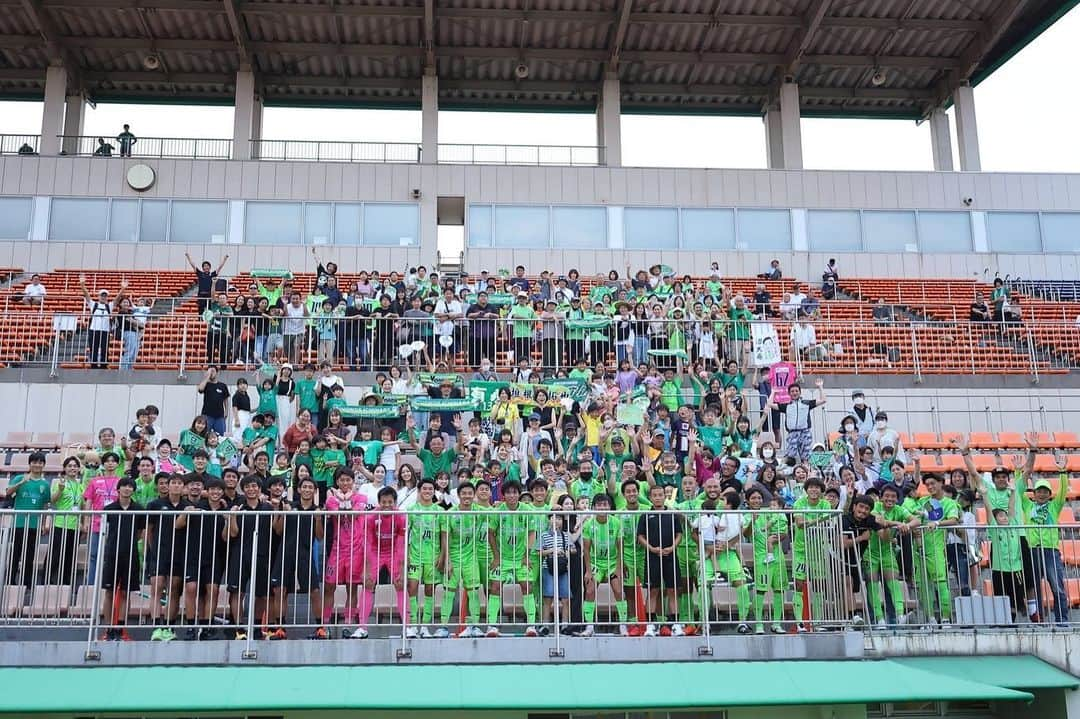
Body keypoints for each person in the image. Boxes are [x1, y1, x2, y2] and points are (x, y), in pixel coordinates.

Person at [269, 474, 325, 639]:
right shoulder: (288, 506)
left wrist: (318, 519)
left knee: (314, 591)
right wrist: (284, 514)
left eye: (310, 487)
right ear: (299, 489)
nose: (307, 490)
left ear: (314, 491)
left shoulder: (317, 509)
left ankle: (320, 627)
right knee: (280, 589)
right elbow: (277, 530)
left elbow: (320, 536)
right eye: (304, 487)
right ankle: (280, 628)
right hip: (285, 551)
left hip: (305, 553)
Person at [487, 480, 539, 636]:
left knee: (527, 586)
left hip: (521, 558)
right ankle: (492, 626)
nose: (512, 495)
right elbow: (490, 533)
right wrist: (496, 557)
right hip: (502, 558)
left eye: (515, 492)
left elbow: (531, 533)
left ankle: (531, 626)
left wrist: (526, 555)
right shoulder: (497, 511)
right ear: (504, 495)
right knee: (495, 587)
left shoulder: (527, 510)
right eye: (508, 492)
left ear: (519, 494)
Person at [99, 477, 145, 641]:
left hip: (131, 555)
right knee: (109, 592)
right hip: (112, 554)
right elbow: (104, 532)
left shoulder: (139, 509)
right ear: (118, 490)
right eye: (124, 486)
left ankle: (120, 627)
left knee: (126, 592)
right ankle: (108, 629)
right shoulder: (109, 509)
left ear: (133, 490)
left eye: (130, 486)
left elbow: (140, 533)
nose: (127, 489)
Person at [145, 474, 190, 641]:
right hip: (158, 553)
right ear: (167, 486)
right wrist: (153, 550)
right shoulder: (155, 504)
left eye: (180, 483)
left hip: (179, 553)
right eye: (173, 483)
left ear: (183, 487)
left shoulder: (187, 506)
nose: (176, 486)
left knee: (174, 590)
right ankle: (157, 627)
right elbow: (148, 530)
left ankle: (169, 627)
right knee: (157, 588)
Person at [636, 484, 684, 637]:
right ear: (650, 498)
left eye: (660, 495)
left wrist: (672, 547)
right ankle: (651, 625)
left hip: (670, 556)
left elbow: (679, 534)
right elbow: (640, 536)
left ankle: (675, 624)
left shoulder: (672, 515)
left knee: (672, 590)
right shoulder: (645, 515)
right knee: (653, 590)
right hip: (652, 557)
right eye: (654, 495)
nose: (657, 497)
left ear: (665, 496)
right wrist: (651, 548)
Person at [580, 492, 628, 636]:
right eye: (599, 505)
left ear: (609, 506)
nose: (602, 507)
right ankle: (589, 627)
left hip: (612, 563)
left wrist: (619, 568)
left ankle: (623, 625)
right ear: (594, 507)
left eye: (605, 505)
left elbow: (620, 548)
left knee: (619, 591)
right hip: (596, 563)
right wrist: (588, 571)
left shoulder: (616, 522)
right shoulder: (589, 524)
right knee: (589, 590)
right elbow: (586, 550)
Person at [405, 477, 447, 638]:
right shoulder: (412, 509)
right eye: (425, 489)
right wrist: (407, 555)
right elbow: (406, 534)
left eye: (430, 489)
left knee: (430, 590)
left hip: (433, 557)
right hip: (415, 556)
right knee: (412, 588)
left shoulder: (440, 510)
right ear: (419, 491)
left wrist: (443, 557)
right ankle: (413, 625)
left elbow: (444, 536)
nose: (427, 491)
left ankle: (425, 626)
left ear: (434, 491)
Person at [442, 481, 484, 637]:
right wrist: (448, 560)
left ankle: (474, 626)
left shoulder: (480, 511)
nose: (467, 496)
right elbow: (445, 538)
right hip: (453, 557)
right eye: (464, 493)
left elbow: (497, 510)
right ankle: (443, 627)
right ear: (458, 496)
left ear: (473, 495)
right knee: (449, 592)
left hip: (471, 558)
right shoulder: (451, 513)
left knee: (473, 592)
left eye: (470, 493)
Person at [5, 452, 50, 590]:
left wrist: (43, 524)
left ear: (43, 465)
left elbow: (44, 505)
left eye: (40, 462)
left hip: (34, 525)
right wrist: (20, 483)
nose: (37, 465)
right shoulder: (19, 478)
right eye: (34, 462)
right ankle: (10, 583)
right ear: (29, 464)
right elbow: (8, 492)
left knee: (30, 556)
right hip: (19, 523)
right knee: (15, 554)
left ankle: (27, 585)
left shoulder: (45, 484)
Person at [767, 379, 826, 463]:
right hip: (792, 433)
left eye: (796, 391)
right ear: (789, 393)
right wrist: (773, 392)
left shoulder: (806, 403)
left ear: (800, 392)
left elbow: (823, 400)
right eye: (792, 391)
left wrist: (820, 387)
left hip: (805, 433)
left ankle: (806, 471)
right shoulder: (786, 406)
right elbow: (769, 404)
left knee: (805, 457)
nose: (794, 393)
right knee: (792, 457)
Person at [538, 511, 575, 635]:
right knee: (548, 597)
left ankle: (564, 625)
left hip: (563, 569)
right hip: (548, 568)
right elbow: (539, 552)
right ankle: (546, 625)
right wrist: (552, 550)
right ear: (549, 520)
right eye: (553, 518)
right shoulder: (544, 535)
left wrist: (567, 552)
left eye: (559, 518)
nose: (556, 521)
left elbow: (573, 549)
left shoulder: (565, 535)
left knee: (565, 598)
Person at [78, 274, 127, 369]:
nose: (104, 297)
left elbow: (117, 299)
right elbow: (86, 295)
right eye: (102, 295)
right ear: (99, 296)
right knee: (93, 348)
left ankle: (104, 365)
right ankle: (94, 365)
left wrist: (122, 289)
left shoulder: (109, 306)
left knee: (105, 349)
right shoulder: (93, 304)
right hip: (94, 330)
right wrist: (82, 285)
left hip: (105, 331)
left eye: (105, 296)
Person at [196, 366, 231, 437]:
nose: (211, 373)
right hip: (207, 415)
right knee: (204, 435)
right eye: (209, 371)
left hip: (219, 416)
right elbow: (200, 389)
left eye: (213, 371)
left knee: (220, 436)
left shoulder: (222, 385)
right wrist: (207, 377)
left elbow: (226, 399)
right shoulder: (206, 384)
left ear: (217, 373)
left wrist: (226, 411)